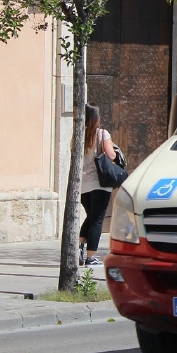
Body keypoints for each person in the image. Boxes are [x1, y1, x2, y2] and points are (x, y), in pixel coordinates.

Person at [79, 104, 117, 266]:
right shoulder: (102, 134)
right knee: (97, 220)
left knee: (91, 217)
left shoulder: (78, 135)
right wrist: (115, 153)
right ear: (97, 118)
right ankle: (90, 257)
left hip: (83, 185)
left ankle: (80, 245)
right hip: (100, 183)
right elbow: (110, 154)